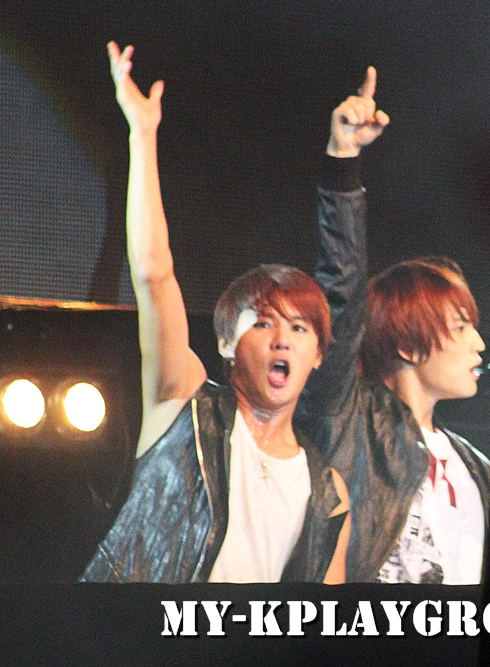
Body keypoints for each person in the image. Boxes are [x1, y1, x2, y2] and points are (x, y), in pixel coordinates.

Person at [81, 42, 349, 583]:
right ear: (226, 341)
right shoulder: (185, 406)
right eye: (263, 322)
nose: (282, 339)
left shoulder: (328, 490)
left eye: (299, 328)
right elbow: (153, 273)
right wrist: (142, 135)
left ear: (319, 355)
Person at [295, 68, 490, 584]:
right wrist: (343, 163)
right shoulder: (349, 424)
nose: (480, 344)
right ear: (408, 342)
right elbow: (340, 297)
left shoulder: (476, 464)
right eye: (461, 327)